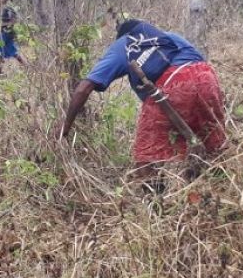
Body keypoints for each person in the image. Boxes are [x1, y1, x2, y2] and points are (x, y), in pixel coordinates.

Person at [59, 18, 226, 173]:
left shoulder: (125, 44)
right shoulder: (170, 37)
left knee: (147, 157)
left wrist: (65, 129)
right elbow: (196, 71)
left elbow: (84, 88)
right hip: (207, 78)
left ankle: (153, 199)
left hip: (174, 84)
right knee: (213, 141)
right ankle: (217, 184)